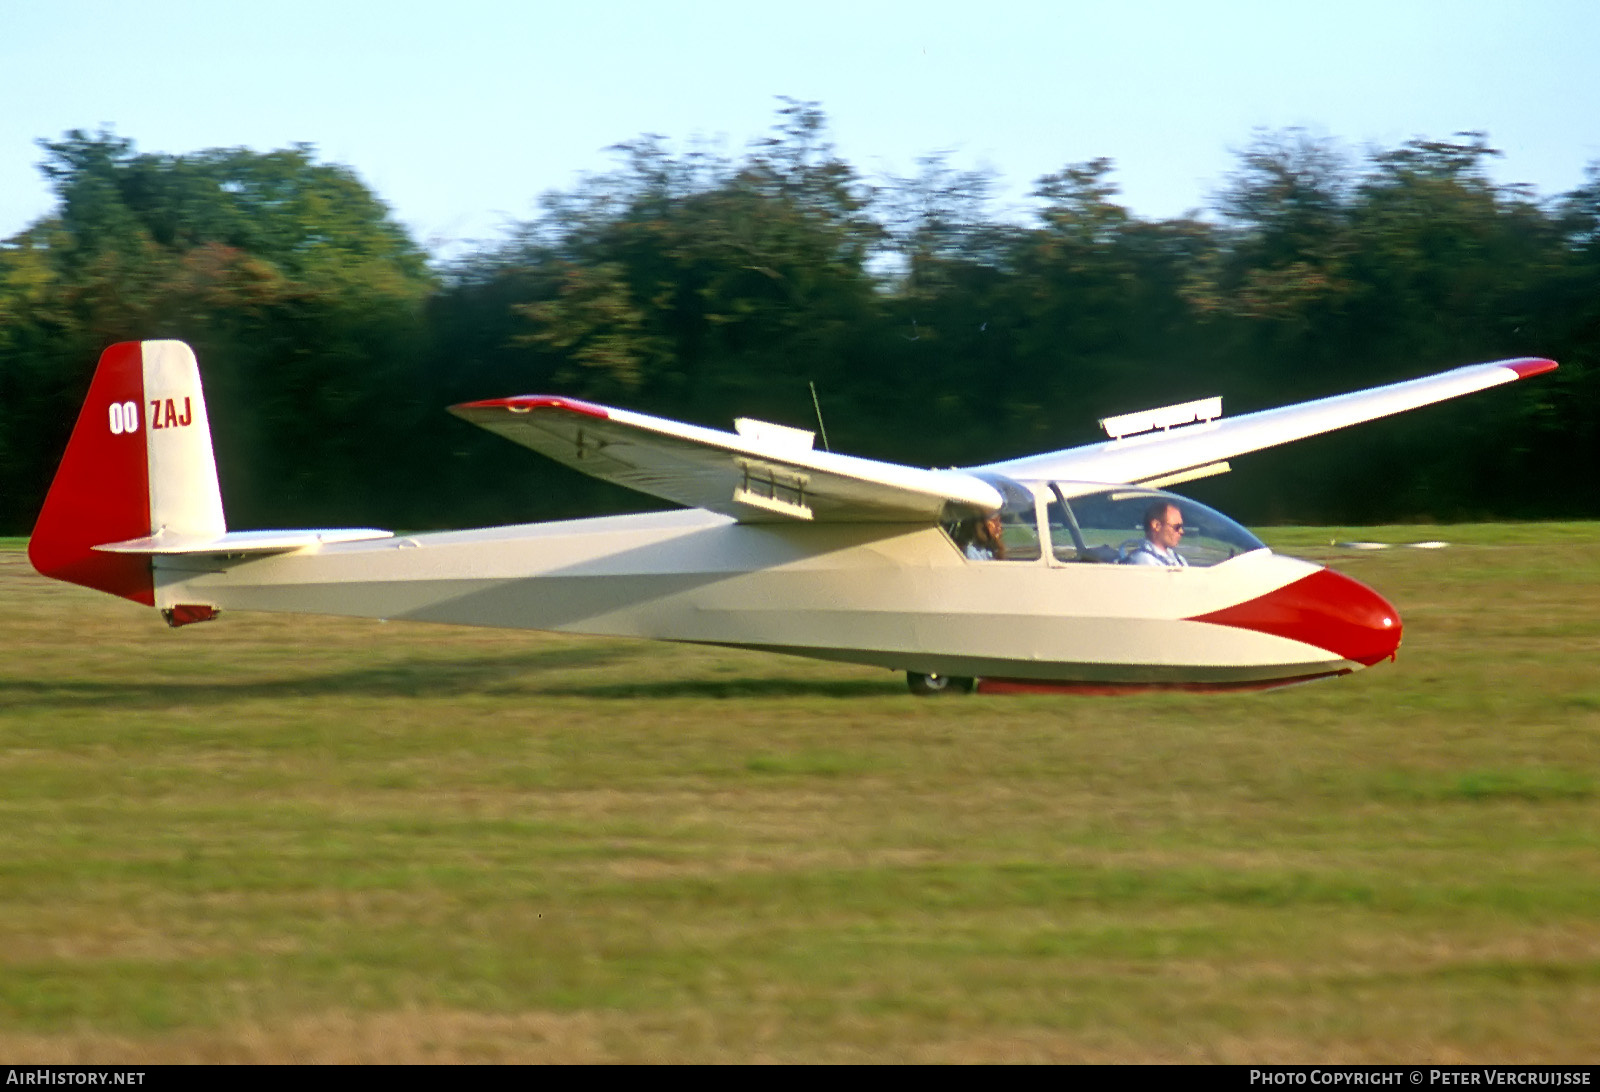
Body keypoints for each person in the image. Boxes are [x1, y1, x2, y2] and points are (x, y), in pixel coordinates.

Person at [1124, 500, 1188, 567]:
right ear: (1157, 526)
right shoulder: (1145, 560)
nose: (1181, 531)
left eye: (1181, 527)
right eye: (1177, 527)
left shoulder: (1179, 559)